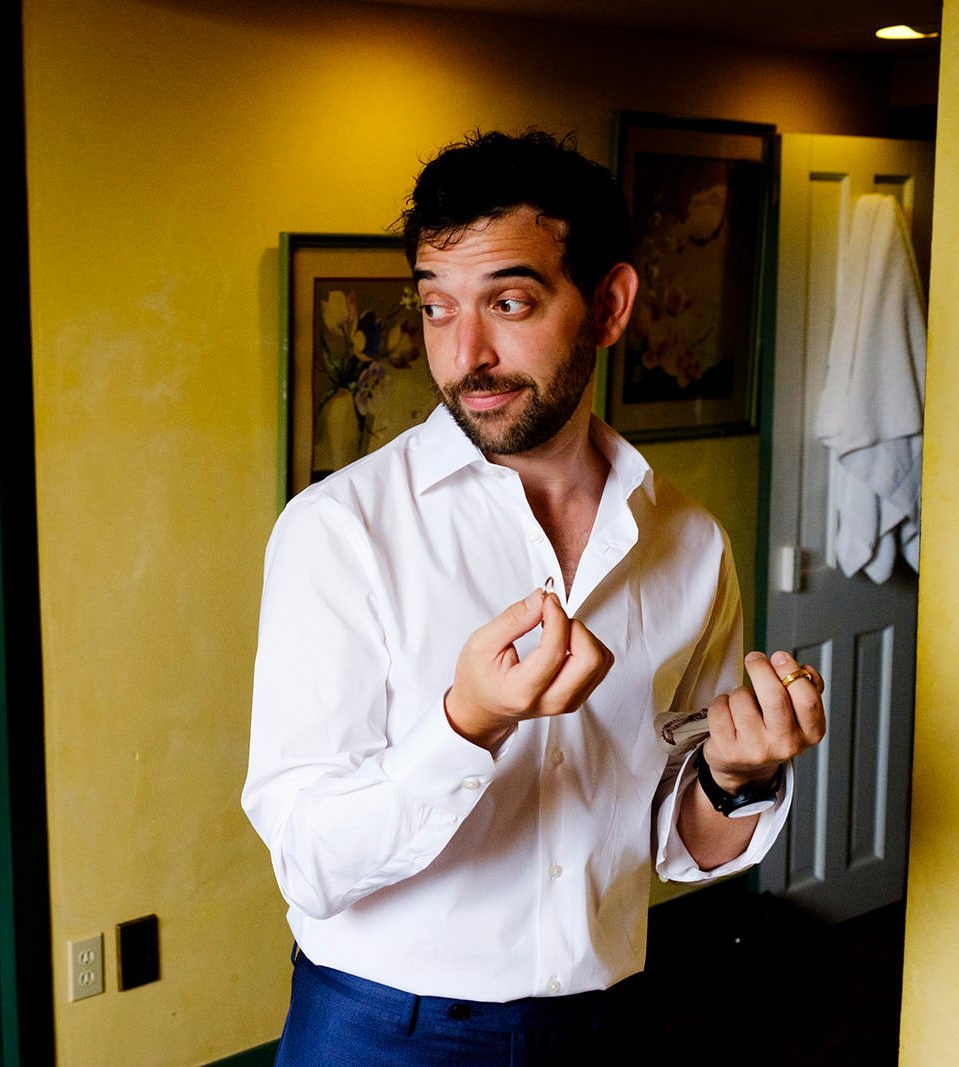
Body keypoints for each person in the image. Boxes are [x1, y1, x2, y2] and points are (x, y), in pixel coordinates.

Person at [241, 129, 826, 1064]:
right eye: (436, 309)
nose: (464, 354)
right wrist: (465, 722)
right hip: (386, 1035)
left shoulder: (690, 544)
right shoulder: (339, 533)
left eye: (508, 303)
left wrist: (738, 774)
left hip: (609, 1024)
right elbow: (311, 862)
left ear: (609, 304)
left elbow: (680, 845)